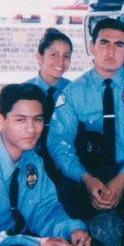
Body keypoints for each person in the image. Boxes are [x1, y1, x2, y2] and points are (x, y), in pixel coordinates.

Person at [0, 83, 108, 246]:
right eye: (21, 120)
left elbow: (45, 211)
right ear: (0, 121)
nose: (31, 129)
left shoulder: (32, 161)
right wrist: (28, 243)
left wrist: (71, 229)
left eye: (37, 120)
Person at [47, 18, 124, 246]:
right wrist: (84, 179)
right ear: (91, 46)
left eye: (119, 45)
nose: (111, 50)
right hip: (87, 172)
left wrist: (123, 178)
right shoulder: (74, 92)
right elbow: (59, 143)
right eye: (104, 43)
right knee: (59, 203)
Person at [26, 27, 73, 181]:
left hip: (66, 169)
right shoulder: (22, 93)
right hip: (29, 169)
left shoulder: (75, 92)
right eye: (54, 54)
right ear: (39, 57)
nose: (61, 61)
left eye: (66, 56)